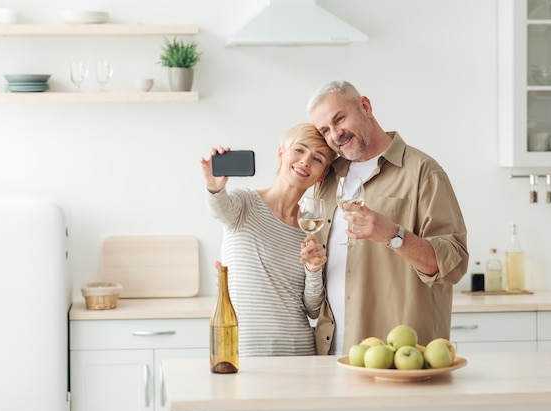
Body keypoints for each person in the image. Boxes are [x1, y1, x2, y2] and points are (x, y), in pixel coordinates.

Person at [306, 80, 469, 355]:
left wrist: (394, 236)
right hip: (333, 350)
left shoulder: (423, 172)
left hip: (399, 352)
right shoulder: (328, 178)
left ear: (365, 106)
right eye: (325, 130)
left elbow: (453, 263)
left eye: (340, 119)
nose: (336, 134)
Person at [200, 123, 338, 357]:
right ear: (281, 153)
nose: (305, 161)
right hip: (247, 350)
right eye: (299, 150)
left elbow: (313, 310)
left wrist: (314, 270)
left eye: (317, 159)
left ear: (322, 174)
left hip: (299, 351)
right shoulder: (244, 203)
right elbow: (219, 208)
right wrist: (214, 187)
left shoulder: (311, 230)